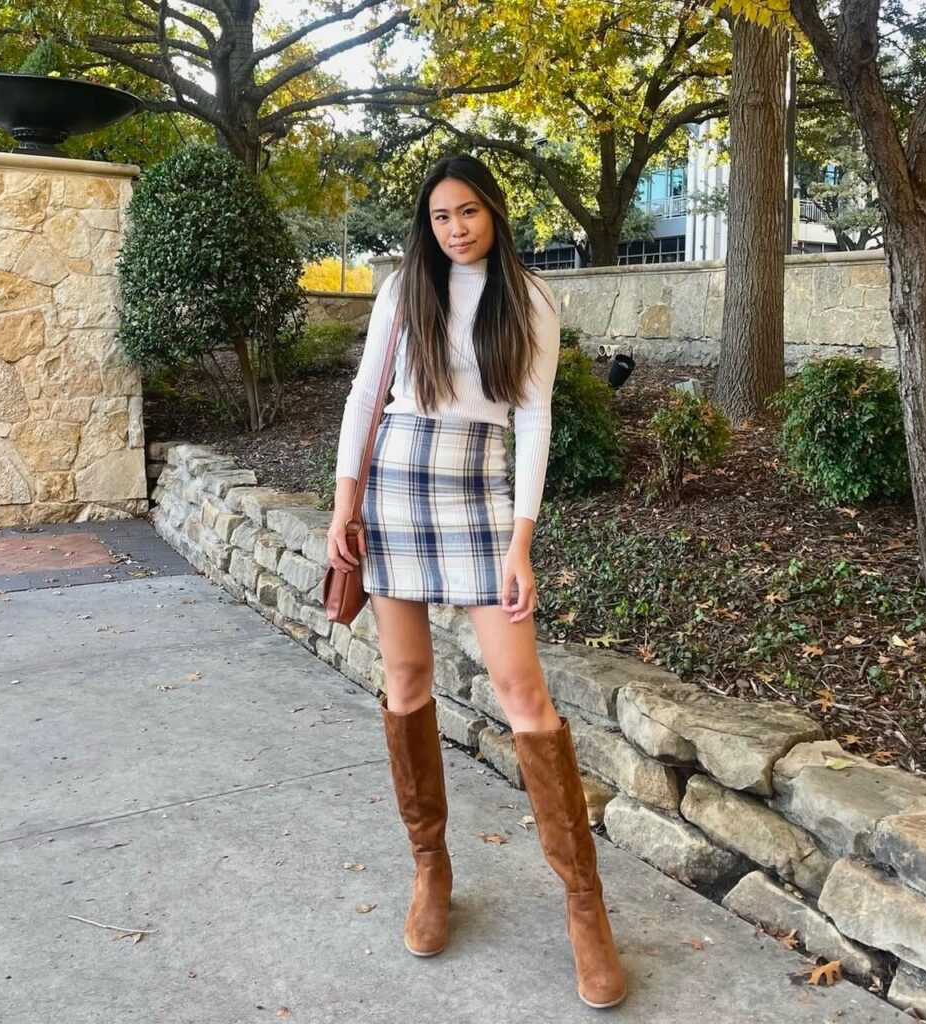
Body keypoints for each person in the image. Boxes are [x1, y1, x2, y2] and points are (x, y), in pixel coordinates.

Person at [326, 153, 627, 1010]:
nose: (454, 228)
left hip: (481, 488)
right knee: (407, 679)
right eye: (439, 216)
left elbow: (534, 416)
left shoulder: (529, 298)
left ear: (493, 210)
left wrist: (522, 539)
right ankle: (431, 869)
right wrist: (345, 500)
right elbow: (362, 396)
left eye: (467, 211)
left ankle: (583, 905)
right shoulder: (401, 291)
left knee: (520, 690)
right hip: (395, 482)